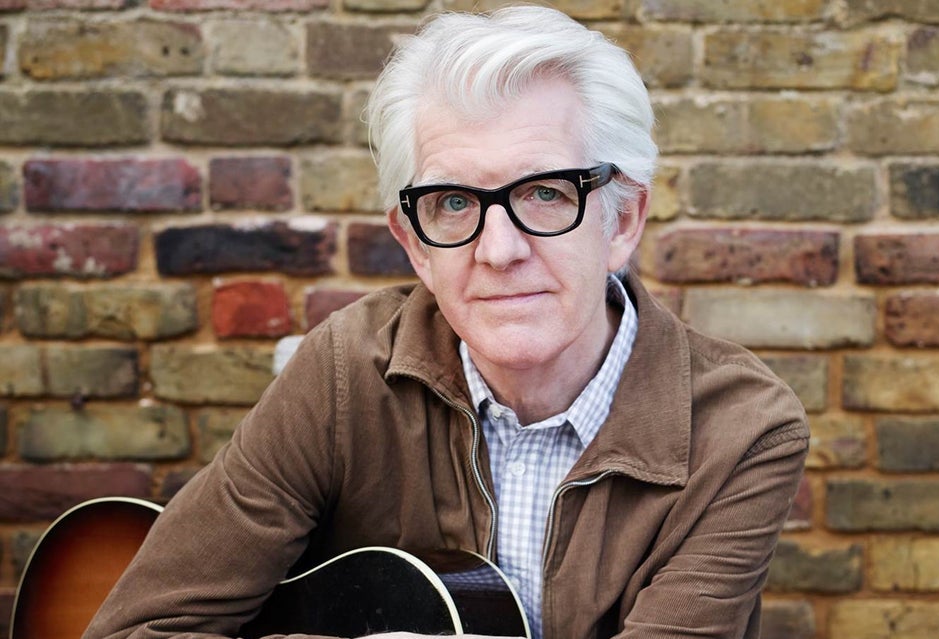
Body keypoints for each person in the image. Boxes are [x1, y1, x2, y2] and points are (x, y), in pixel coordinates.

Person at [85, 5, 809, 639]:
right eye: (454, 203)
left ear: (622, 221)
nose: (499, 251)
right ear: (415, 247)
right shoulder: (342, 374)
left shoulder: (740, 432)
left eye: (546, 192)